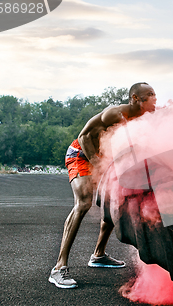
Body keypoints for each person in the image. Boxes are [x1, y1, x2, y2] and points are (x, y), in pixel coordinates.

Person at [48, 82, 157, 289]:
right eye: (150, 94)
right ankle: (58, 268)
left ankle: (98, 255)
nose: (155, 98)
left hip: (104, 157)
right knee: (83, 204)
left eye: (155, 94)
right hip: (81, 154)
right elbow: (84, 136)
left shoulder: (143, 117)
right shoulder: (115, 114)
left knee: (114, 200)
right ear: (135, 98)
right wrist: (98, 165)